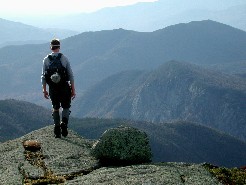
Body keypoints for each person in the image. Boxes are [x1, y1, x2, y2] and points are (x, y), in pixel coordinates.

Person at [41, 39, 76, 138]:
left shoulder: (46, 60)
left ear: (51, 47)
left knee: (55, 108)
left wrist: (44, 90)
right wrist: (73, 90)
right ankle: (64, 123)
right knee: (65, 107)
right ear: (59, 47)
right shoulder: (64, 58)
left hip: (53, 88)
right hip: (64, 87)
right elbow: (70, 75)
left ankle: (57, 130)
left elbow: (43, 76)